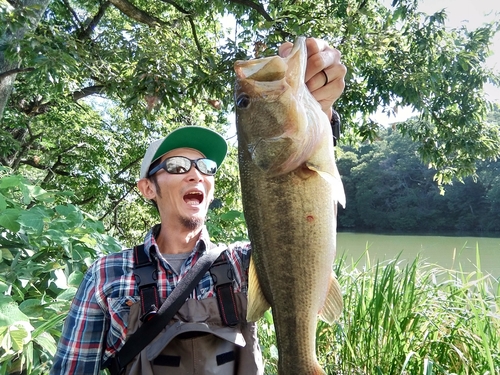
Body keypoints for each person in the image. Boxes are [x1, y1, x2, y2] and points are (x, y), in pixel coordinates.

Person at [50, 37, 347, 375]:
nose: (195, 174)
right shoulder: (106, 276)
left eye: (206, 167)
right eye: (177, 166)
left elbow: (300, 228)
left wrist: (320, 109)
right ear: (148, 187)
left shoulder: (242, 263)